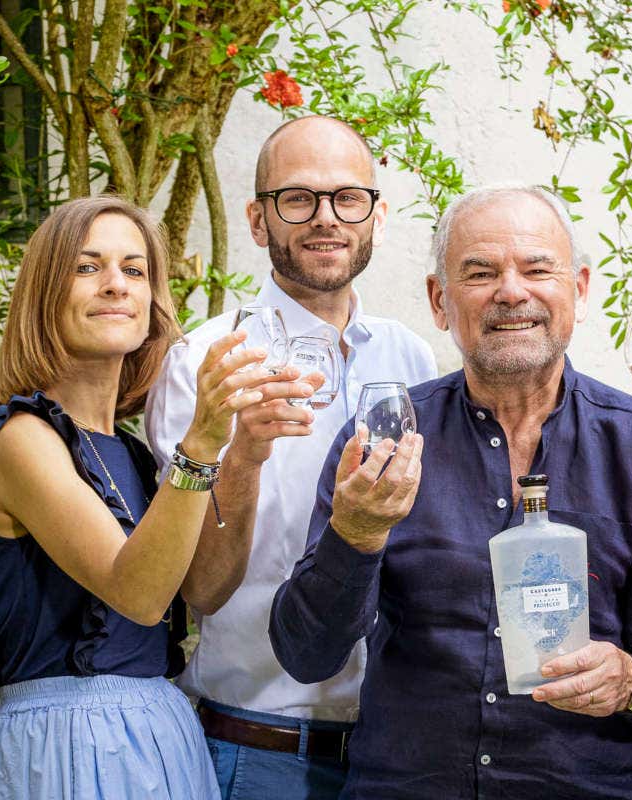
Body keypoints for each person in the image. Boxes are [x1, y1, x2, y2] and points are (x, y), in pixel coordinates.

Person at [268, 184, 632, 799]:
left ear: (580, 290)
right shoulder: (385, 440)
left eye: (537, 269)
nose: (512, 291)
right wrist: (357, 534)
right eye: (479, 273)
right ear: (439, 300)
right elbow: (306, 655)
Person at [145, 116, 436, 800]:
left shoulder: (411, 359)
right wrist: (244, 455)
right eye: (297, 199)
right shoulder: (204, 364)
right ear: (256, 219)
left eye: (347, 198)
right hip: (254, 751)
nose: (325, 218)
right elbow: (198, 590)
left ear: (378, 215)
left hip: (396, 753)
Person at [0, 195, 279, 798]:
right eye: (86, 267)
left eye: (134, 270)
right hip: (66, 745)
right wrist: (203, 441)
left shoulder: (128, 452)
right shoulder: (22, 441)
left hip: (161, 733)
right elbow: (140, 594)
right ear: (44, 294)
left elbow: (204, 589)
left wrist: (246, 457)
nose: (114, 285)